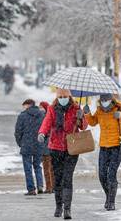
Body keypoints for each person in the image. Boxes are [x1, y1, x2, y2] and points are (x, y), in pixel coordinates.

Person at [84, 94, 121, 211]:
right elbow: (93, 122)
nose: (104, 102)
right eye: (102, 100)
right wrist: (87, 114)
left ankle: (111, 201)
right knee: (102, 175)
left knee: (111, 175)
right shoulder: (99, 110)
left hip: (117, 147)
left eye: (106, 100)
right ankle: (109, 196)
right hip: (103, 147)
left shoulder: (119, 107)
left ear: (111, 99)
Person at [37, 89, 87, 219]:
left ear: (69, 96)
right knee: (58, 179)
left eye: (65, 96)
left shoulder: (76, 107)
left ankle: (67, 209)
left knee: (67, 178)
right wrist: (42, 133)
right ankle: (58, 206)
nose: (63, 98)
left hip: (72, 148)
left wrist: (82, 117)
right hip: (55, 147)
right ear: (57, 97)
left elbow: (84, 127)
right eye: (60, 96)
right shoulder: (52, 109)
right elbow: (47, 122)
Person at [15, 99, 45, 196]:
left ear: (28, 105)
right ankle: (40, 186)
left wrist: (20, 143)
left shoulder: (22, 116)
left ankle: (31, 189)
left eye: (24, 105)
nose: (23, 107)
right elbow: (45, 129)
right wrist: (43, 142)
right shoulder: (41, 115)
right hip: (38, 144)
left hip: (26, 145)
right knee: (37, 166)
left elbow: (18, 132)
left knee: (28, 168)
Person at [39, 101, 54, 194]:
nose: (40, 109)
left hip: (48, 146)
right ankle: (50, 187)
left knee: (49, 169)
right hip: (45, 147)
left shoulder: (47, 117)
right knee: (47, 169)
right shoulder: (43, 116)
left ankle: (51, 187)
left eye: (41, 107)